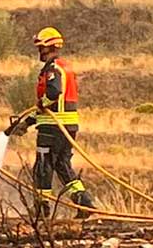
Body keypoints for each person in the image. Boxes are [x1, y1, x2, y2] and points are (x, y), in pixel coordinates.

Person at [6, 26, 95, 217]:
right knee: (62, 165)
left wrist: (42, 102)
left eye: (41, 47)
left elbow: (53, 94)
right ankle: (84, 203)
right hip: (67, 126)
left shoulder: (53, 68)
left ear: (49, 47)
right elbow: (47, 109)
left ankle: (41, 208)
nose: (39, 50)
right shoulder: (65, 67)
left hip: (53, 128)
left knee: (43, 165)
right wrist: (27, 123)